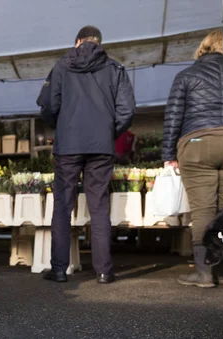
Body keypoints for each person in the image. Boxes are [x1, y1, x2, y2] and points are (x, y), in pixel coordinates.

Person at [40, 26, 135, 284]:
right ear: (100, 43)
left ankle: (59, 269)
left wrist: (61, 126)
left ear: (78, 41)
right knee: (99, 207)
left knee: (62, 206)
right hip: (101, 147)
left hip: (68, 145)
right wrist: (106, 132)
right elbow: (126, 112)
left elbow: (49, 105)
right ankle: (103, 271)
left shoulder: (61, 66)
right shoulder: (115, 69)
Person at [161, 30, 223, 288]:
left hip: (198, 144)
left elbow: (173, 118)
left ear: (205, 47)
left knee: (203, 211)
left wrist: (169, 154)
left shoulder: (187, 75)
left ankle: (204, 273)